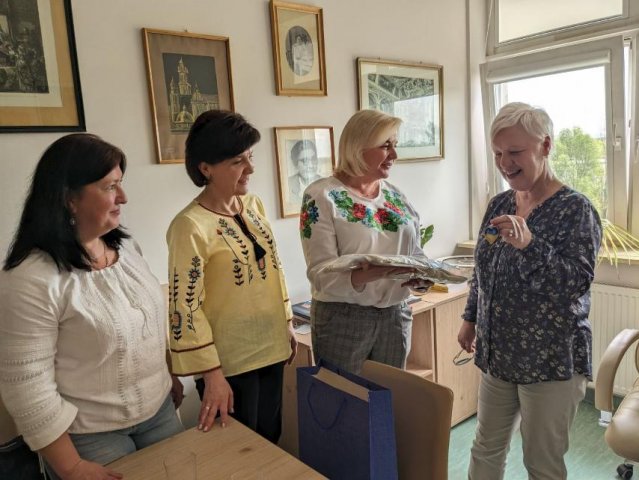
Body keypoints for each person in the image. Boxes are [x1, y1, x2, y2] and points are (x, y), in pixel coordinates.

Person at [0, 134, 184, 480]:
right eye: (110, 186)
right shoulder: (30, 278)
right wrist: (70, 467)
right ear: (69, 199)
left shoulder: (127, 251)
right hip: (87, 436)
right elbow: (26, 386)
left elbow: (147, 326)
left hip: (159, 410)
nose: (123, 197)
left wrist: (168, 375)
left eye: (120, 183)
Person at [457, 102, 602, 480]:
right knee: (485, 448)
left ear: (546, 146)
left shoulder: (576, 210)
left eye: (515, 152)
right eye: (497, 154)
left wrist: (530, 245)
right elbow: (483, 269)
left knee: (541, 462)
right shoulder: (500, 203)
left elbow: (575, 283)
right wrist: (470, 318)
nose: (505, 163)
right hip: (498, 355)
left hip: (550, 359)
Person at [167, 110, 297, 443]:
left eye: (250, 157)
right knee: (238, 451)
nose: (250, 168)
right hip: (230, 364)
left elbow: (274, 269)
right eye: (238, 161)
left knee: (271, 441)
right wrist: (211, 374)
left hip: (272, 348)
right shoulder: (190, 226)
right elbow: (186, 306)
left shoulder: (253, 206)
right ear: (206, 168)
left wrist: (286, 321)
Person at [299, 109, 431, 375]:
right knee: (344, 397)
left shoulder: (396, 197)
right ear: (358, 148)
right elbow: (320, 274)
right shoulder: (322, 196)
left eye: (394, 145)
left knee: (392, 396)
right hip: (343, 320)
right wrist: (377, 273)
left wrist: (423, 274)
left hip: (396, 315)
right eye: (385, 146)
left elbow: (415, 251)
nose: (394, 155)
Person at [287, 139, 322, 204]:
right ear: (295, 164)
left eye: (313, 159)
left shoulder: (325, 183)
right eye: (304, 161)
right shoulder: (288, 184)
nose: (310, 165)